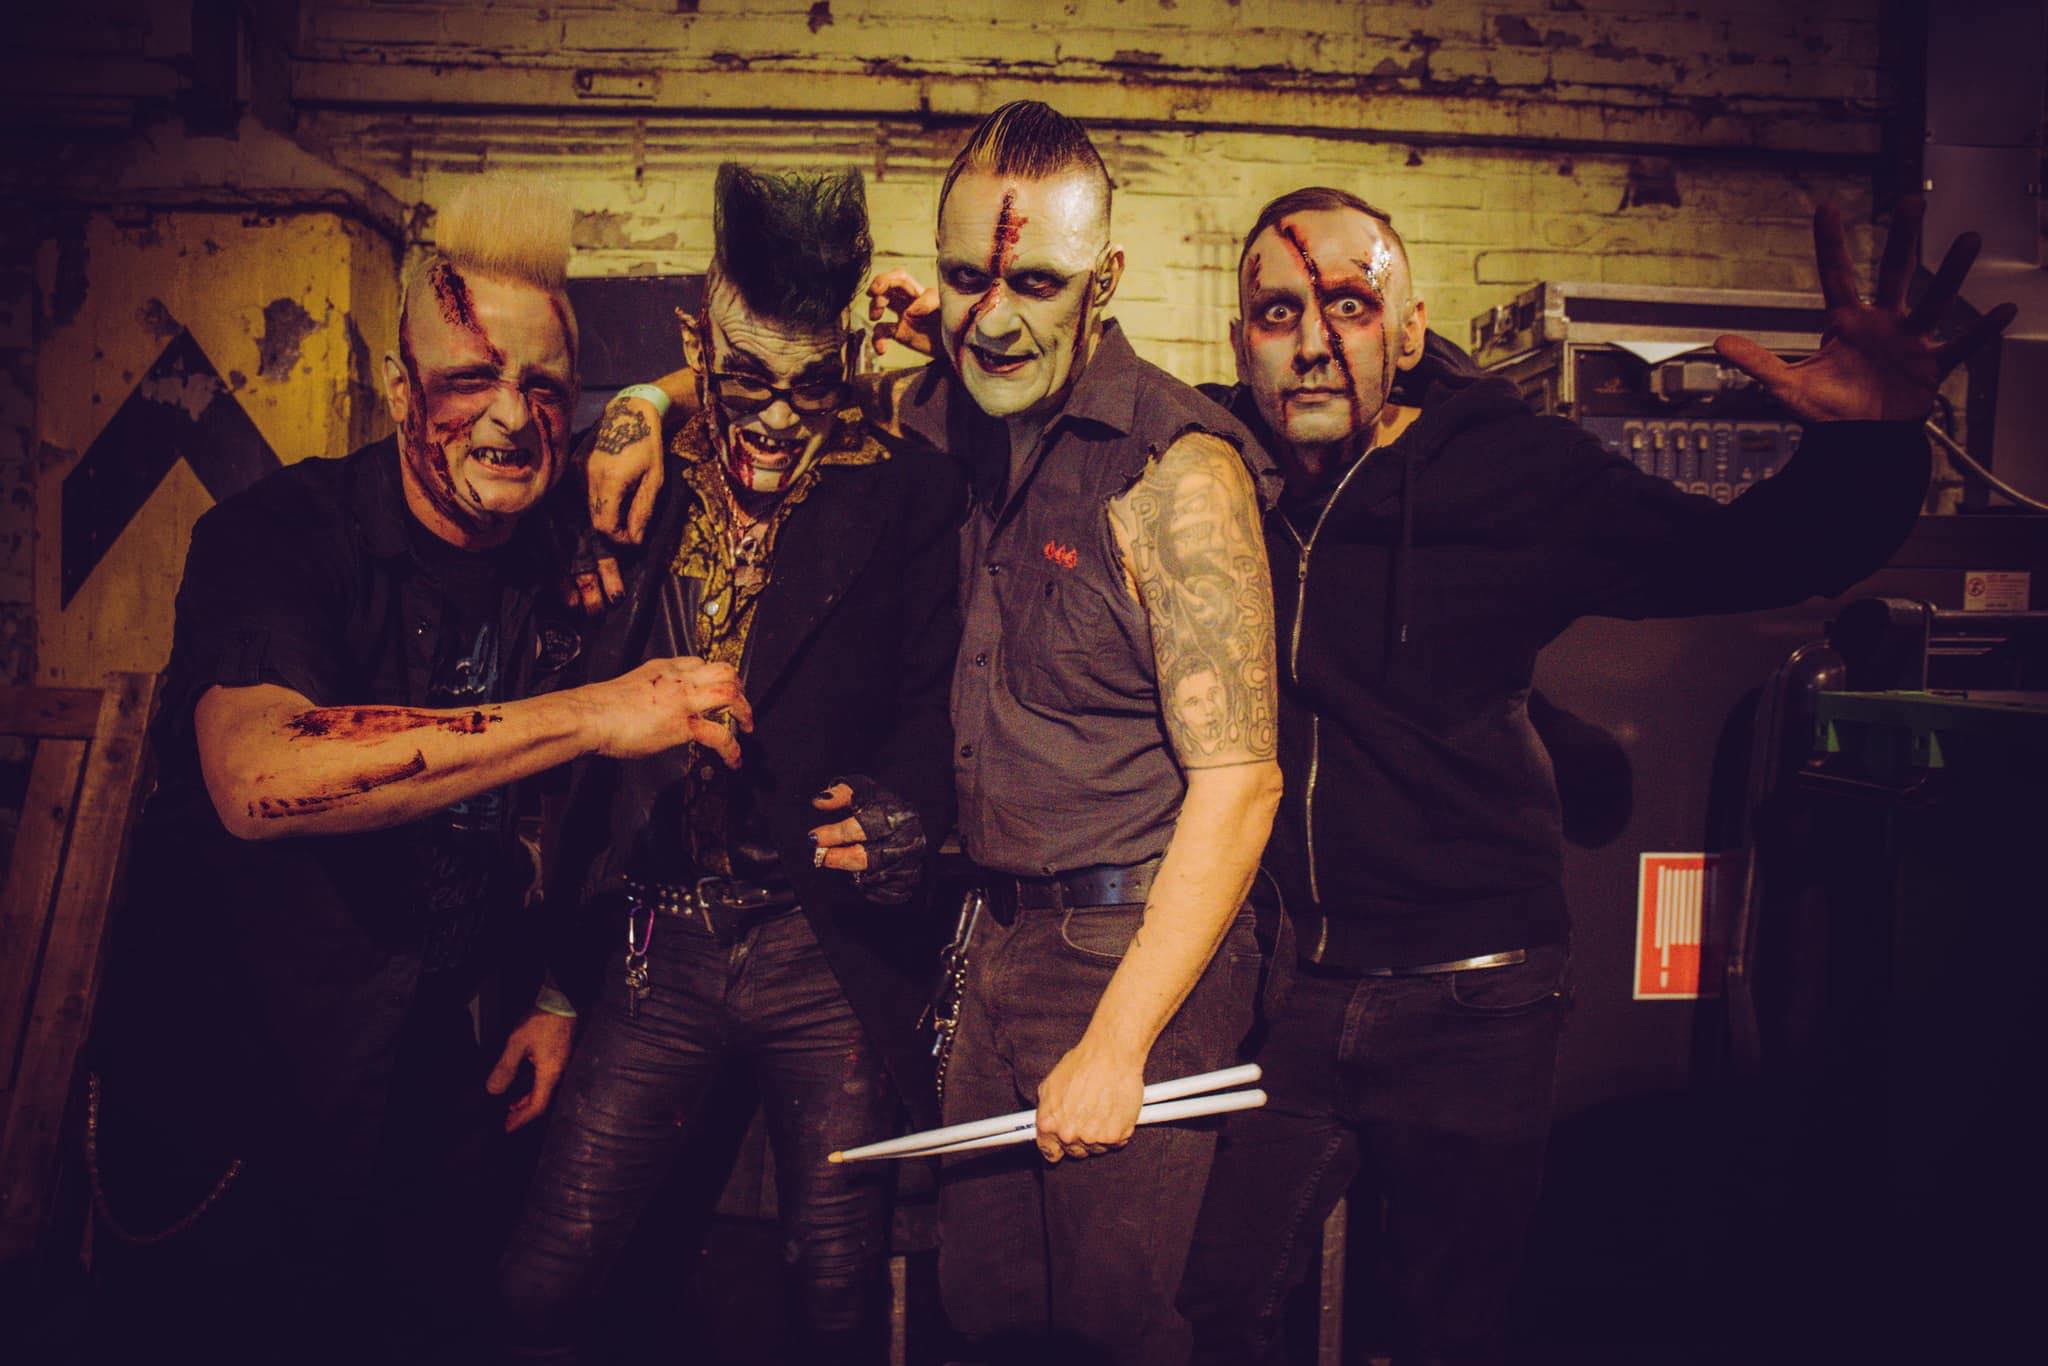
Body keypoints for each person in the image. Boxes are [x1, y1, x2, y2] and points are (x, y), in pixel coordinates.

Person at [1168, 188, 2014, 1365]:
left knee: (1445, 1332)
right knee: (1211, 1303)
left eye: (1349, 306)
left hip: (1471, 996)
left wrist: (1868, 445)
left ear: (1406, 333)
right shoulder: (1217, 475)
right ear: (1239, 341)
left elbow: (1745, 556)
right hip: (1292, 988)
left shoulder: (1508, 473)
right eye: (1276, 313)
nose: (1312, 341)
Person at [587, 102, 1284, 1366]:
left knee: (1114, 1331)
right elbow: (779, 371)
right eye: (967, 277)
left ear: (1105, 281)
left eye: (1036, 282)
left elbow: (1240, 786)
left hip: (1135, 947)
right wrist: (642, 397)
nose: (994, 317)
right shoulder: (941, 414)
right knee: (990, 1314)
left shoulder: (1176, 473)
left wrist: (1118, 1043)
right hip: (989, 940)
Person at [85, 178, 748, 1366]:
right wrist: (593, 713)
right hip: (231, 1104)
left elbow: (734, 378)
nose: (510, 415)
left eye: (542, 386)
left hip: (424, 1097)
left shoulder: (546, 532)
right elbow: (258, 776)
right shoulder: (277, 536)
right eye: (468, 378)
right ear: (399, 390)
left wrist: (649, 399)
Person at [495, 164, 962, 1365]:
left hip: (821, 950)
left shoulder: (904, 489)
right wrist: (559, 987)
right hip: (656, 945)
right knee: (548, 1273)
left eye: (811, 385)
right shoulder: (633, 481)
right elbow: (580, 760)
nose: (776, 420)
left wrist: (909, 819)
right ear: (698, 346)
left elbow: (933, 703)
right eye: (747, 379)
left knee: (833, 1290)